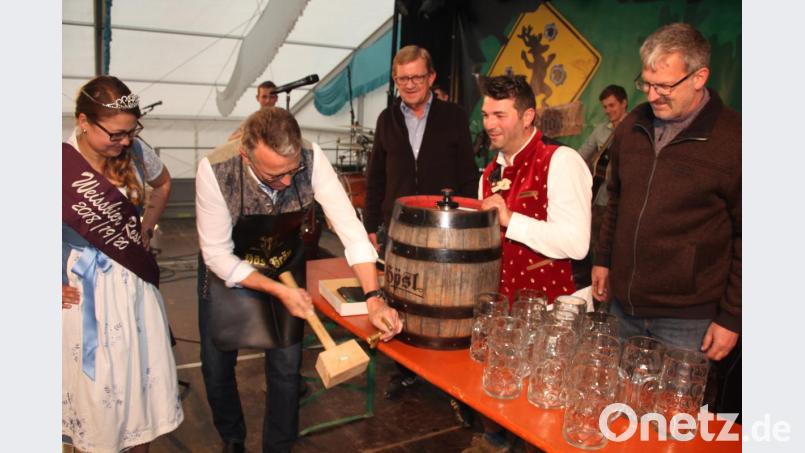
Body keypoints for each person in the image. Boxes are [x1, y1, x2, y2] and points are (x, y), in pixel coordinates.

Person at [196, 106, 403, 453]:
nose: (288, 183)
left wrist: (373, 297)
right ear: (246, 155)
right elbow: (217, 255)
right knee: (217, 369)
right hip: (229, 269)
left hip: (284, 265)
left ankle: (279, 447)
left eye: (293, 172)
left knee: (287, 370)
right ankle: (232, 438)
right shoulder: (215, 170)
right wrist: (275, 290)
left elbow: (351, 231)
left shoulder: (312, 157)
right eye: (274, 176)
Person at [591, 23, 741, 362]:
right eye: (646, 83)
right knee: (615, 409)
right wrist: (603, 260)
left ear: (699, 77)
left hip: (688, 321)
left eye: (664, 86)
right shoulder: (633, 124)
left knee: (673, 416)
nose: (652, 95)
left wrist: (732, 317)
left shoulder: (736, 140)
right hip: (621, 308)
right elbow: (616, 199)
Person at [468, 74, 591, 452]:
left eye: (500, 114)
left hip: (557, 311)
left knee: (544, 420)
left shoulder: (561, 160)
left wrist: (510, 220)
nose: (489, 124)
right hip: (508, 314)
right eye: (486, 114)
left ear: (527, 116)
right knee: (502, 405)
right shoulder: (489, 174)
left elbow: (577, 244)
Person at [62, 75, 182, 452]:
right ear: (83, 121)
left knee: (139, 398)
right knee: (95, 401)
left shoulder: (134, 152)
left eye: (131, 132)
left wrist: (145, 228)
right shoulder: (58, 163)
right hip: (83, 291)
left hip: (133, 286)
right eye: (114, 134)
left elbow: (163, 184)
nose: (125, 141)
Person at [363, 44, 479, 399]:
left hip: (444, 227)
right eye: (402, 79)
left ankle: (445, 368)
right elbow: (376, 176)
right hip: (397, 226)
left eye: (416, 77)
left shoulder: (454, 116)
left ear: (430, 78)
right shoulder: (387, 119)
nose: (409, 84)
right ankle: (406, 369)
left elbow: (467, 173)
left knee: (441, 299)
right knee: (402, 297)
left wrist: (466, 219)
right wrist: (370, 225)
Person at [576, 84, 628, 208]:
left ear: (624, 103)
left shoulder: (635, 130)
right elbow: (581, 154)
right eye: (605, 107)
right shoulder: (600, 130)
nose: (607, 111)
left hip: (621, 202)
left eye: (612, 105)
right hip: (598, 199)